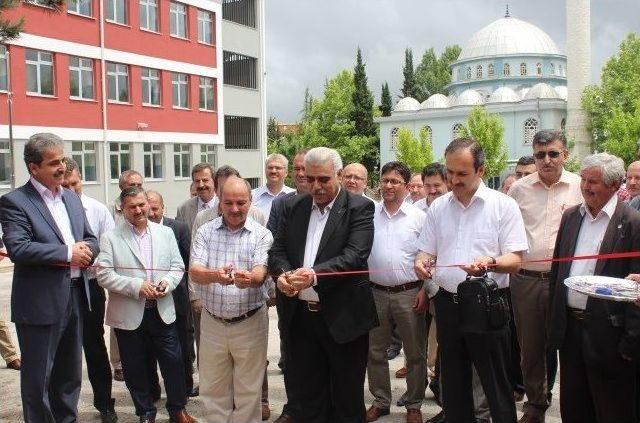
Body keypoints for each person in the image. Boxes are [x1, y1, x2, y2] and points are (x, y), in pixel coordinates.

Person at [414, 137, 528, 423]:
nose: (454, 180)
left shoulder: (503, 206)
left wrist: (490, 263)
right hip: (448, 304)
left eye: (462, 173)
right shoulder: (438, 208)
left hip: (487, 304)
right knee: (453, 381)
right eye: (449, 173)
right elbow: (426, 249)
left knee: (495, 381)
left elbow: (515, 260)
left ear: (481, 170)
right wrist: (420, 261)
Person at [269, 147, 378, 422]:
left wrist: (314, 275)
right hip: (301, 319)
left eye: (324, 179)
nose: (315, 186)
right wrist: (282, 274)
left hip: (343, 319)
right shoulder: (294, 207)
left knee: (346, 397)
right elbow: (277, 250)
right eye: (310, 178)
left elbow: (355, 255)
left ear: (339, 175)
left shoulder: (359, 207)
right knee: (307, 395)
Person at [0, 133, 99, 422]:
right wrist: (69, 253)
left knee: (69, 378)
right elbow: (19, 248)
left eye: (63, 160)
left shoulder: (70, 197)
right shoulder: (15, 202)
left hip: (77, 296)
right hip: (40, 304)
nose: (62, 168)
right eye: (54, 163)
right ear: (33, 168)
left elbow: (91, 239)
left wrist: (86, 250)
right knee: (38, 382)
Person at [548, 152, 640, 423]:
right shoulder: (571, 217)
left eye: (594, 182)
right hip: (571, 331)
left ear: (614, 185)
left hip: (610, 335)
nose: (586, 187)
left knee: (612, 409)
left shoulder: (632, 223)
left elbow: (636, 286)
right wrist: (555, 326)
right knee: (574, 407)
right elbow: (558, 272)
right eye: (584, 180)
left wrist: (631, 342)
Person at [97, 186, 194, 423]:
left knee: (173, 363)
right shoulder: (110, 237)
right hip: (129, 314)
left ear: (148, 205)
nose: (139, 210)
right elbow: (104, 275)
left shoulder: (165, 233)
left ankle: (177, 410)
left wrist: (166, 283)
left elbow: (177, 266)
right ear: (123, 209)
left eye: (142, 205)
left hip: (162, 311)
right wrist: (137, 286)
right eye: (132, 207)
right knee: (135, 367)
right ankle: (145, 413)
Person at [507, 130, 582, 423]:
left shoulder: (580, 185)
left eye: (553, 153)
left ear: (565, 154)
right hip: (526, 280)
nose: (546, 160)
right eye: (540, 154)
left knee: (572, 346)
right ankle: (536, 404)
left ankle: (576, 408)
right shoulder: (519, 190)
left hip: (568, 281)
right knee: (531, 348)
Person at [190, 177, 273, 422]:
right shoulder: (205, 231)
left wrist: (250, 278)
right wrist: (215, 275)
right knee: (213, 388)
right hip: (213, 322)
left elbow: (260, 272)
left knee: (249, 390)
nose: (235, 209)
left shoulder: (262, 234)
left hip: (250, 322)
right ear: (220, 202)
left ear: (250, 202)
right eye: (228, 203)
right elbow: (195, 271)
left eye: (241, 202)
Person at [365, 162, 427, 423]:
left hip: (409, 293)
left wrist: (425, 289)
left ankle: (413, 404)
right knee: (374, 352)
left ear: (406, 185)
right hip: (375, 293)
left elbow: (430, 256)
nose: (388, 186)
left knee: (415, 353)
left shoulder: (419, 217)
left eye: (394, 181)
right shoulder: (369, 214)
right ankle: (381, 401)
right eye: (385, 180)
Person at [62, 157, 118, 422]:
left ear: (80, 179)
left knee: (94, 347)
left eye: (74, 184)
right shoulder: (52, 208)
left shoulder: (97, 210)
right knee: (62, 351)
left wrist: (89, 258)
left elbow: (108, 248)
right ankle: (61, 407)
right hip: (59, 287)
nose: (70, 190)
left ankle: (105, 403)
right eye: (65, 185)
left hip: (90, 287)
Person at [267, 149, 308, 423]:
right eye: (297, 169)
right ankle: (293, 407)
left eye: (306, 168)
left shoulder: (338, 205)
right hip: (289, 292)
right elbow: (274, 247)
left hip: (322, 292)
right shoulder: (282, 204)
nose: (302, 174)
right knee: (292, 354)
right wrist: (283, 275)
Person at [146, 190, 197, 399]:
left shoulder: (179, 228)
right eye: (146, 208)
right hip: (146, 301)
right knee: (149, 350)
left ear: (163, 207)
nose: (150, 213)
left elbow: (188, 264)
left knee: (181, 347)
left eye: (154, 208)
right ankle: (152, 391)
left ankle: (183, 389)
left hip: (176, 299)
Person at [110, 169, 144, 380]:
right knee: (120, 325)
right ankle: (119, 363)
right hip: (122, 276)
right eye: (131, 184)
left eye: (139, 184)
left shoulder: (146, 205)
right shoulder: (111, 211)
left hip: (150, 279)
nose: (135, 188)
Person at [176, 163, 216, 234]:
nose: (201, 185)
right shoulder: (183, 209)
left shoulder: (224, 205)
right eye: (197, 181)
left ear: (214, 181)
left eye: (205, 180)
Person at [252, 153, 295, 219]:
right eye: (270, 167)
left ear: (286, 172)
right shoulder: (252, 196)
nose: (273, 171)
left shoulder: (295, 196)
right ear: (265, 170)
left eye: (278, 168)